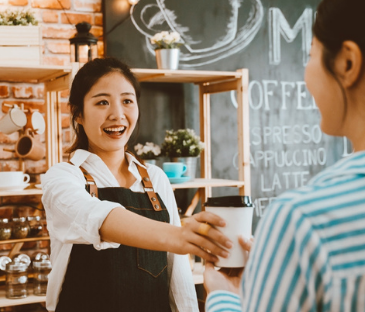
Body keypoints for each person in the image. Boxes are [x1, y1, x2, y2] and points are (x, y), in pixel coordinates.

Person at [204, 0, 365, 311]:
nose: (306, 75)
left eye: (311, 55)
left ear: (347, 63)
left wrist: (226, 296)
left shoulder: (302, 220)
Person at [42, 57, 232, 312]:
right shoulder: (63, 177)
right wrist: (180, 236)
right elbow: (94, 215)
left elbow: (178, 274)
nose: (117, 115)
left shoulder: (155, 179)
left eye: (127, 101)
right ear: (78, 114)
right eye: (102, 102)